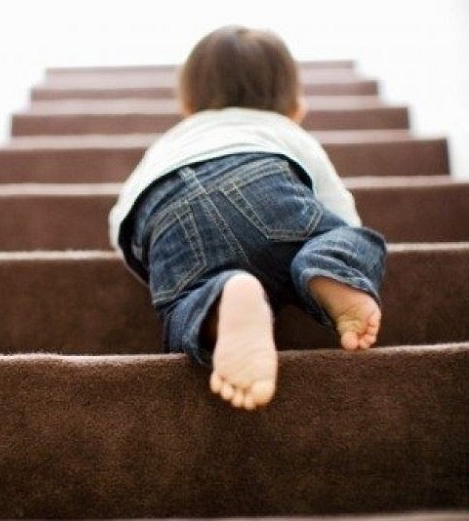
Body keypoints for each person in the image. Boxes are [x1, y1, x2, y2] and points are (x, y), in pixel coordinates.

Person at [108, 25, 387, 411]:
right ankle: (328, 266)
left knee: (185, 304)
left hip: (165, 214)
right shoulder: (283, 130)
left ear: (189, 102)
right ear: (294, 104)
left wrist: (154, 267)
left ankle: (221, 300)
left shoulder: (168, 143)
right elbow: (338, 206)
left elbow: (122, 218)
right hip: (264, 180)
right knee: (350, 239)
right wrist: (343, 243)